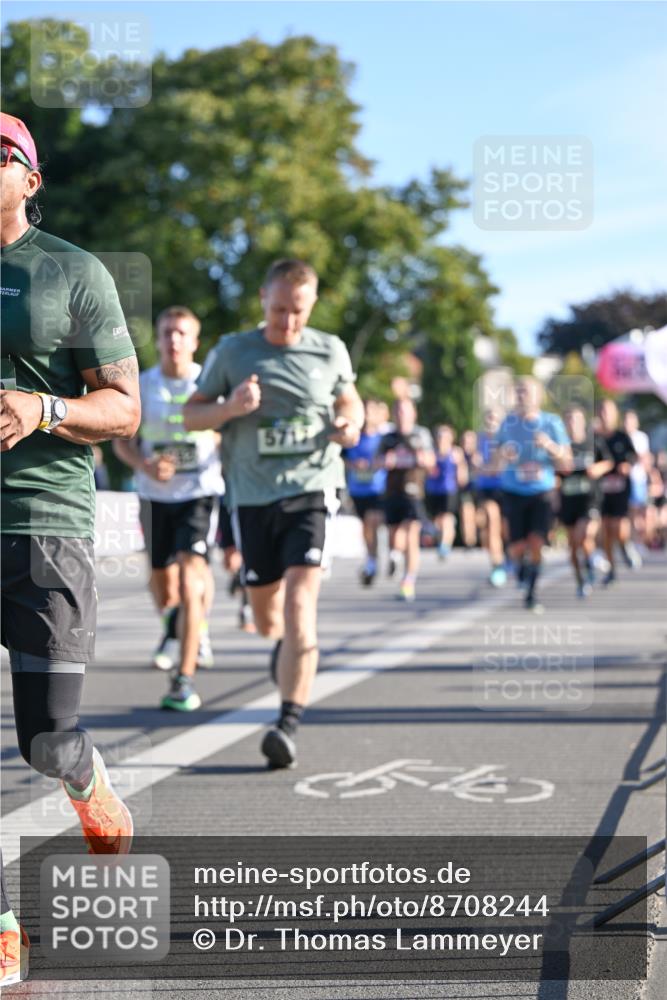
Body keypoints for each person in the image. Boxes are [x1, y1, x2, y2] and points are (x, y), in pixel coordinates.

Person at [0, 113, 138, 987]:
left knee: (47, 739)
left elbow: (124, 409)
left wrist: (41, 408)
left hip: (43, 521)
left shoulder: (72, 274)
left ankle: (85, 780)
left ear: (29, 177)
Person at [183, 259, 363, 769]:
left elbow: (351, 400)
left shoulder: (330, 349)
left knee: (301, 605)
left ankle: (287, 721)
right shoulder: (234, 351)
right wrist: (231, 408)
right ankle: (283, 646)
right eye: (280, 310)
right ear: (263, 297)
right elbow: (191, 414)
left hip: (313, 490)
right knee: (268, 618)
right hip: (253, 496)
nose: (288, 323)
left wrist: (350, 423)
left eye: (298, 313)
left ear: (312, 306)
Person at [113, 306, 224, 710]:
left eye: (182, 333)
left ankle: (184, 677)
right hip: (153, 495)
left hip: (199, 493)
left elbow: (228, 435)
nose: (174, 340)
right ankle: (176, 624)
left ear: (194, 342)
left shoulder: (209, 385)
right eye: (167, 333)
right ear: (158, 340)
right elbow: (121, 439)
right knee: (162, 582)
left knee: (193, 576)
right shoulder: (141, 385)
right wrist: (143, 463)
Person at [495, 376, 571, 611]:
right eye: (518, 392)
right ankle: (520, 568)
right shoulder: (506, 424)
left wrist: (549, 446)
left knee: (537, 541)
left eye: (526, 391)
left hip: (542, 491)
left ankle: (532, 592)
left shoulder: (552, 423)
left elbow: (566, 463)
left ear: (538, 396)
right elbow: (494, 463)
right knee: (517, 546)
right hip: (514, 489)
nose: (521, 396)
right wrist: (502, 455)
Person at [376, 397, 435, 601]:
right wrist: (386, 461)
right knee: (395, 536)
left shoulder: (421, 435)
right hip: (392, 491)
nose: (402, 415)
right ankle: (395, 556)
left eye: (405, 411)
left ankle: (408, 581)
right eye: (398, 411)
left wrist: (421, 458)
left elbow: (431, 462)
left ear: (413, 413)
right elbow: (377, 461)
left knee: (411, 534)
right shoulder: (388, 437)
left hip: (414, 491)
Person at [558, 406, 613, 598]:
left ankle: (590, 562)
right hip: (569, 499)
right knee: (573, 547)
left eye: (576, 420)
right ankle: (581, 579)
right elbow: (553, 473)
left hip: (590, 499)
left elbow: (608, 461)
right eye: (569, 420)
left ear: (582, 422)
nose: (572, 424)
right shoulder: (561, 447)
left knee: (585, 534)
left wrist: (597, 468)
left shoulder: (594, 442)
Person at [597, 399, 641, 583]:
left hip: (621, 489)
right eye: (602, 411)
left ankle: (625, 544)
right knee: (606, 530)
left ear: (615, 415)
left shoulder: (622, 437)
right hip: (601, 490)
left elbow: (633, 457)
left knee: (619, 528)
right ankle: (611, 569)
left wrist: (627, 465)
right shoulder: (594, 438)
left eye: (609, 412)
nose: (605, 415)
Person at [343, 398, 386, 585]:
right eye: (365, 411)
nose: (368, 415)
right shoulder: (354, 437)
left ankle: (383, 555)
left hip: (379, 488)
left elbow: (393, 456)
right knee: (367, 527)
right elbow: (341, 457)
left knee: (374, 520)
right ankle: (371, 557)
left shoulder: (384, 438)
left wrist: (381, 463)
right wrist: (354, 465)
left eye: (371, 411)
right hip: (358, 489)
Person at [474, 408, 507, 587]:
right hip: (486, 490)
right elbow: (476, 464)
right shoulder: (479, 440)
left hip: (507, 489)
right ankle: (497, 566)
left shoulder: (507, 440)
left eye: (495, 420)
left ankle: (509, 558)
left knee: (505, 530)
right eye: (489, 420)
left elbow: (499, 467)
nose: (491, 424)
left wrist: (486, 468)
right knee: (490, 522)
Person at [424, 425, 466, 560]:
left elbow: (462, 471)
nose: (442, 439)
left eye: (445, 436)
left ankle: (445, 545)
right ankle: (440, 537)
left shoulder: (455, 452)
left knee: (446, 518)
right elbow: (426, 470)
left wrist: (461, 477)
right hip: (433, 490)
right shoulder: (432, 452)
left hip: (449, 490)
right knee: (437, 520)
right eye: (439, 436)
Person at [458, 429, 480, 549]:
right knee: (467, 512)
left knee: (480, 516)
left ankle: (480, 537)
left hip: (479, 489)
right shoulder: (459, 455)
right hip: (466, 489)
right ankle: (469, 540)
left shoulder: (479, 455)